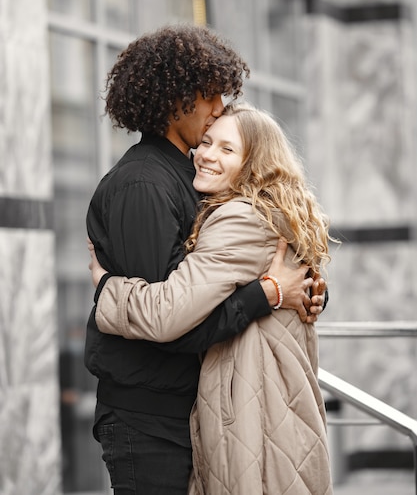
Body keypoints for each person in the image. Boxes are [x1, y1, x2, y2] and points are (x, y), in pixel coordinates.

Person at [84, 24, 325, 495]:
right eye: (210, 95)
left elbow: (233, 268)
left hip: (188, 412)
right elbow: (172, 327)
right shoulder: (145, 186)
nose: (219, 107)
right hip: (149, 422)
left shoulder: (197, 184)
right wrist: (268, 294)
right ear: (175, 99)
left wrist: (305, 291)